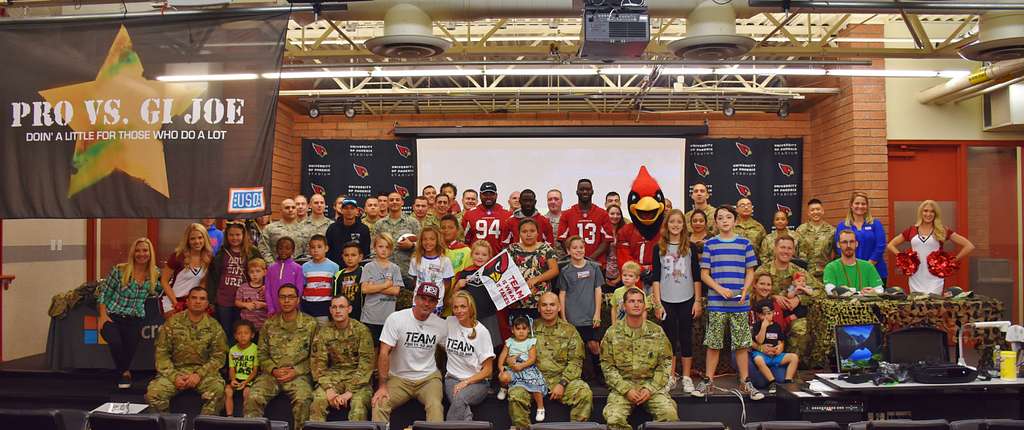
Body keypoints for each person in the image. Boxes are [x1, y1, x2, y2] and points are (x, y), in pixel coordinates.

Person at [694, 205, 763, 400]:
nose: (725, 221)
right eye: (721, 218)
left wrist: (745, 290)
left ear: (735, 220)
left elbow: (750, 271)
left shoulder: (745, 243)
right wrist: (719, 289)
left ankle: (745, 381)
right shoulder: (710, 245)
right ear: (715, 222)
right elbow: (704, 274)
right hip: (717, 302)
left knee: (741, 344)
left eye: (728, 217)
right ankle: (708, 381)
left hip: (740, 303)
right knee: (714, 343)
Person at [508, 292, 593, 430]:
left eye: (552, 305)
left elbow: (576, 362)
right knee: (516, 394)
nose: (548, 308)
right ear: (538, 308)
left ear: (559, 307)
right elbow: (514, 351)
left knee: (584, 393)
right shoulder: (528, 329)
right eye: (544, 305)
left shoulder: (570, 331)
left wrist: (562, 383)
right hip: (531, 379)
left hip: (560, 379)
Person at [601, 288, 678, 430]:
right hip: (623, 388)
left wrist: (650, 388)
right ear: (624, 306)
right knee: (614, 418)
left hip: (651, 387)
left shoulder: (657, 332)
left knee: (669, 414)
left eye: (639, 301)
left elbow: (665, 363)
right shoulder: (612, 333)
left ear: (644, 306)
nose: (636, 305)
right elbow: (607, 367)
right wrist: (626, 390)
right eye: (631, 301)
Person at [245, 284, 319, 429]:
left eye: (290, 297)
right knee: (253, 397)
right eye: (283, 297)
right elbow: (262, 353)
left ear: (297, 300)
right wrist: (273, 370)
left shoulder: (311, 324)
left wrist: (296, 371)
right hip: (272, 375)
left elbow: (316, 356)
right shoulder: (269, 324)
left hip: (299, 375)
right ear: (278, 300)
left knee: (304, 399)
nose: (286, 300)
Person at [371, 283, 447, 423]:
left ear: (436, 303)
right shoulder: (396, 319)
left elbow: (453, 351)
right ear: (415, 298)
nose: (426, 304)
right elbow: (384, 353)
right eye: (423, 299)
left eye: (431, 301)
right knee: (379, 404)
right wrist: (382, 386)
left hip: (428, 378)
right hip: (398, 378)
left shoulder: (441, 325)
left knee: (435, 406)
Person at [146, 287, 228, 415]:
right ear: (187, 301)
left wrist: (198, 375)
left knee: (217, 390)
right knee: (154, 393)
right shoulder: (172, 322)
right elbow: (161, 354)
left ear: (207, 304)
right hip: (175, 371)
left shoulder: (214, 326)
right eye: (194, 298)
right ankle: (167, 425)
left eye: (202, 299)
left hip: (203, 373)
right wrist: (174, 377)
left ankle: (204, 425)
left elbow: (218, 357)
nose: (198, 301)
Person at [651, 209, 702, 394]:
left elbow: (697, 276)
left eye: (678, 222)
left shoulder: (691, 248)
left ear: (683, 225)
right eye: (671, 222)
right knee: (669, 340)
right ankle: (671, 376)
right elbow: (656, 278)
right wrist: (657, 303)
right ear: (666, 225)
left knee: (686, 338)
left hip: (687, 298)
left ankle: (687, 377)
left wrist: (698, 301)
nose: (675, 225)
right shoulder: (658, 248)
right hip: (666, 299)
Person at [98, 237, 160, 389]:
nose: (141, 254)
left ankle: (121, 374)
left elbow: (161, 290)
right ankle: (124, 373)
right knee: (116, 342)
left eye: (145, 250)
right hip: (113, 316)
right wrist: (103, 316)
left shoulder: (155, 273)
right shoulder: (119, 270)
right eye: (138, 251)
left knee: (129, 349)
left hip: (135, 319)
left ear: (150, 253)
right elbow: (104, 293)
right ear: (133, 253)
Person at [886, 200, 975, 295]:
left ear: (936, 214)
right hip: (916, 277)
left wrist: (952, 261)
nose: (928, 214)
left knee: (933, 306)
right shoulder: (911, 230)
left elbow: (969, 246)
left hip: (935, 278)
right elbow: (890, 245)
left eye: (932, 211)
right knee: (917, 306)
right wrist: (904, 259)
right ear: (921, 213)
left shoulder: (942, 230)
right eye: (925, 211)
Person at [309, 295, 375, 422]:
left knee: (358, 404)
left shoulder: (361, 331)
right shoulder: (324, 332)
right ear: (330, 310)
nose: (337, 310)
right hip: (333, 376)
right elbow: (318, 363)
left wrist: (349, 393)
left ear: (349, 309)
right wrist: (328, 389)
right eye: (334, 307)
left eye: (341, 307)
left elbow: (366, 365)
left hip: (358, 378)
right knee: (318, 400)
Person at [754, 236, 820, 358]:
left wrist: (799, 299)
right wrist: (773, 297)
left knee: (800, 328)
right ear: (775, 249)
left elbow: (820, 291)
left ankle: (793, 366)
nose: (786, 251)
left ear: (794, 251)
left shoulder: (799, 271)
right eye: (782, 247)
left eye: (789, 248)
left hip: (791, 314)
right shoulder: (763, 270)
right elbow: (752, 291)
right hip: (767, 315)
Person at [556, 236, 605, 381]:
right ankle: (578, 377)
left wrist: (597, 313)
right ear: (568, 251)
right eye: (575, 248)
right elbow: (562, 294)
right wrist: (563, 317)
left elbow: (598, 290)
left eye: (581, 247)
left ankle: (600, 374)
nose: (578, 250)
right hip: (573, 316)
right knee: (575, 348)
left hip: (590, 314)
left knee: (594, 345)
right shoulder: (565, 271)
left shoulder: (594, 267)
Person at [444, 291, 495, 421]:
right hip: (452, 379)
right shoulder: (449, 323)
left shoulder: (482, 332)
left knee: (460, 398)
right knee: (459, 401)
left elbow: (488, 370)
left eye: (463, 306)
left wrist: (466, 382)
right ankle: (469, 423)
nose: (459, 311)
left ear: (470, 307)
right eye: (455, 307)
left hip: (477, 382)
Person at [208, 222, 258, 338]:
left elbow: (260, 271)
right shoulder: (222, 253)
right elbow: (213, 277)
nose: (234, 238)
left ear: (243, 235)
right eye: (231, 235)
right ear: (226, 236)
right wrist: (212, 298)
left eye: (237, 235)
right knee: (226, 332)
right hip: (224, 299)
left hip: (246, 299)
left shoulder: (252, 252)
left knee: (244, 333)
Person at [453, 240, 503, 356]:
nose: (480, 257)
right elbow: (454, 297)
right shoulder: (465, 273)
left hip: (489, 314)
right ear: (471, 255)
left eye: (484, 255)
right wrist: (458, 286)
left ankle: (490, 371)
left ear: (490, 257)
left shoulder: (494, 273)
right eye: (477, 254)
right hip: (469, 317)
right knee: (470, 345)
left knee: (491, 346)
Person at [506, 219, 560, 319]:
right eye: (524, 231)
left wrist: (536, 279)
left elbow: (554, 270)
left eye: (532, 231)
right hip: (517, 301)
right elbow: (504, 272)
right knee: (520, 332)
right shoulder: (512, 249)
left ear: (537, 232)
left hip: (542, 302)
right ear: (519, 233)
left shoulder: (546, 248)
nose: (528, 234)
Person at [498, 316, 548, 423]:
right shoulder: (509, 341)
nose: (521, 331)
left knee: (536, 385)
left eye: (524, 329)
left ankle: (540, 407)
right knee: (503, 377)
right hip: (512, 369)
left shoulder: (530, 342)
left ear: (528, 330)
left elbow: (532, 359)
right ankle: (504, 388)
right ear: (512, 330)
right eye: (518, 329)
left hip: (527, 369)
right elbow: (503, 355)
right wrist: (500, 366)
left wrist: (522, 366)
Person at [834, 192, 888, 286]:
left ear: (867, 206)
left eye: (863, 204)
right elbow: (839, 248)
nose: (860, 206)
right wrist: (853, 266)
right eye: (857, 203)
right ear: (851, 205)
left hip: (875, 270)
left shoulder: (875, 224)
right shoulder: (842, 225)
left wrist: (868, 265)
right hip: (850, 271)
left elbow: (881, 246)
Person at [557, 179, 615, 266]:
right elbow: (562, 239)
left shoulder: (603, 214)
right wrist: (576, 257)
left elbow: (607, 240)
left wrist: (590, 259)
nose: (585, 192)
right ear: (577, 192)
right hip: (574, 263)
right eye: (582, 189)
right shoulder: (567, 214)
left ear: (592, 192)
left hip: (597, 263)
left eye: (588, 189)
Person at [360, 234, 404, 344]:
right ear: (374, 248)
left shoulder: (395, 268)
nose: (384, 250)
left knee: (385, 350)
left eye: (387, 247)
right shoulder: (368, 267)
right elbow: (365, 289)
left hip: (388, 318)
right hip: (369, 317)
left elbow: (395, 291)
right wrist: (386, 285)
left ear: (391, 250)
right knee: (371, 350)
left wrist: (374, 286)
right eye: (380, 246)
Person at [160, 223, 212, 315]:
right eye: (192, 238)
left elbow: (203, 284)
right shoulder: (177, 256)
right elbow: (164, 281)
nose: (197, 241)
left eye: (200, 237)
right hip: (174, 301)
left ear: (205, 239)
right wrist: (176, 303)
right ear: (187, 240)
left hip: (194, 303)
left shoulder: (209, 258)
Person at [374, 191, 421, 291]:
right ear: (387, 203)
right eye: (391, 200)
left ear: (402, 202)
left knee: (407, 305)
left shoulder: (413, 222)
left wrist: (412, 245)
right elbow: (373, 249)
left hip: (408, 273)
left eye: (397, 200)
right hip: (385, 274)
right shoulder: (379, 224)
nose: (394, 202)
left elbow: (423, 246)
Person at [750, 299, 799, 394]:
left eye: (769, 313)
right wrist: (764, 327)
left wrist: (779, 348)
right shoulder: (757, 326)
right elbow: (759, 340)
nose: (766, 317)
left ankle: (788, 381)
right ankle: (772, 382)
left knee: (794, 357)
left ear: (773, 313)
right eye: (763, 314)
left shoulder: (777, 326)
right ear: (758, 315)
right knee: (758, 359)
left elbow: (781, 340)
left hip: (775, 355)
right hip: (762, 355)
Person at [409, 226, 454, 315]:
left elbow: (447, 284)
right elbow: (415, 280)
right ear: (421, 241)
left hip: (436, 304)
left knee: (433, 327)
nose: (428, 242)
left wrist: (441, 297)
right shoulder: (415, 259)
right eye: (425, 239)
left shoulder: (444, 260)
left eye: (432, 239)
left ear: (437, 241)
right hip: (417, 303)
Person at [824, 229, 884, 296]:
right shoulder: (831, 267)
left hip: (865, 305)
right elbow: (830, 290)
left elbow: (880, 290)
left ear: (856, 244)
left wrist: (874, 292)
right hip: (842, 305)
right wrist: (855, 292)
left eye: (852, 242)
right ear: (838, 245)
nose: (848, 245)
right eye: (844, 242)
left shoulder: (868, 266)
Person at [462, 181, 512, 254]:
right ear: (480, 195)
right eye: (485, 194)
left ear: (496, 195)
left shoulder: (507, 214)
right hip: (477, 259)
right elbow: (464, 240)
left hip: (499, 258)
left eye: (491, 194)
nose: (488, 197)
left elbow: (510, 241)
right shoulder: (470, 214)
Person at [796, 199, 836, 281]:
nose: (815, 212)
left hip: (825, 274)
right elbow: (796, 252)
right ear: (808, 213)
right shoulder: (801, 230)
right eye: (812, 210)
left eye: (818, 209)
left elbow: (836, 253)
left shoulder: (832, 231)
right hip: (805, 274)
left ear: (823, 211)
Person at [302, 234, 339, 321]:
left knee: (324, 330)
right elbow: (303, 286)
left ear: (326, 248)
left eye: (319, 247)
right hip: (308, 305)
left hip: (325, 305)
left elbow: (335, 288)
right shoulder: (304, 267)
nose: (315, 250)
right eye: (312, 247)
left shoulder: (334, 267)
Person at [225, 320, 259, 416]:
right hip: (236, 378)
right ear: (235, 336)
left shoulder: (255, 349)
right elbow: (232, 368)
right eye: (239, 333)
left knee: (247, 393)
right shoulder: (233, 350)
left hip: (249, 379)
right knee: (228, 391)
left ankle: (245, 417)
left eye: (246, 333)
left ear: (252, 335)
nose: (242, 336)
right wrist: (233, 379)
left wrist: (246, 382)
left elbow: (255, 370)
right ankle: (229, 416)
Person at [258, 199, 307, 263]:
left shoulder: (305, 229)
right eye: (287, 208)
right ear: (281, 211)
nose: (290, 210)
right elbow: (263, 248)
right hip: (277, 268)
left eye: (293, 207)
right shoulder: (270, 228)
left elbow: (308, 250)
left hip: (298, 268)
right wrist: (272, 265)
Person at [265, 237, 304, 316]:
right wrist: (270, 308)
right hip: (274, 311)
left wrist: (295, 307)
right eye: (280, 248)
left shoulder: (298, 268)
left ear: (292, 251)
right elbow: (267, 290)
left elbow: (299, 290)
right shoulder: (271, 268)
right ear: (276, 250)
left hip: (292, 310)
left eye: (287, 248)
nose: (283, 251)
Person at [333, 242, 365, 320]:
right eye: (346, 255)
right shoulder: (338, 275)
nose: (350, 258)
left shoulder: (364, 272)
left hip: (360, 314)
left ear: (360, 257)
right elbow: (335, 295)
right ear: (342, 257)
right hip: (342, 314)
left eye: (353, 255)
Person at [236, 258, 269, 331]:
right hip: (247, 326)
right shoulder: (243, 287)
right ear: (248, 273)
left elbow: (273, 305)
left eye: (258, 271)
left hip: (263, 326)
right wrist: (246, 305)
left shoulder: (267, 288)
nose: (254, 274)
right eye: (252, 272)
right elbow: (237, 302)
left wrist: (262, 305)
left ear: (264, 272)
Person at [605, 204, 627, 287]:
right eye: (612, 214)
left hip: (622, 273)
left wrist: (620, 277)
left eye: (618, 214)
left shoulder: (625, 232)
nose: (615, 216)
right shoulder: (601, 232)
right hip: (604, 272)